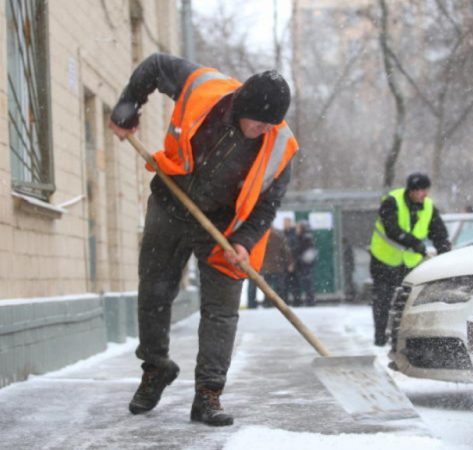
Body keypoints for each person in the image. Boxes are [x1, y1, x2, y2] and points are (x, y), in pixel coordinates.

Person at [108, 53, 298, 426]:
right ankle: (156, 368)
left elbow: (267, 204)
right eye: (258, 122)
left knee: (222, 311)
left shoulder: (280, 146)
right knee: (154, 292)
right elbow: (155, 66)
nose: (263, 129)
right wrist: (128, 105)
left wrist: (244, 240)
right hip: (171, 200)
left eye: (270, 124)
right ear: (242, 105)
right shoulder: (203, 88)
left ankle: (208, 394)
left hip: (224, 228)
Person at [369, 172, 450, 347]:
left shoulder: (428, 206)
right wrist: (416, 244)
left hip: (409, 263)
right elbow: (392, 229)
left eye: (426, 190)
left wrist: (444, 251)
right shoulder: (392, 201)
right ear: (412, 191)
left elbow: (439, 232)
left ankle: (401, 338)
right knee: (382, 298)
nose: (425, 194)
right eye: (421, 191)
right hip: (383, 259)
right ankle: (380, 337)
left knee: (406, 301)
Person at [259, 225, 293, 306]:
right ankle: (280, 303)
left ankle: (267, 303)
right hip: (278, 265)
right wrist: (289, 262)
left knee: (267, 287)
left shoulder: (262, 235)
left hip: (266, 266)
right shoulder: (279, 235)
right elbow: (286, 250)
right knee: (280, 286)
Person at [290, 220, 317, 307]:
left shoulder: (306, 238)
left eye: (298, 228)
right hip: (302, 265)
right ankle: (305, 301)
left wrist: (298, 261)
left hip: (304, 266)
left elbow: (307, 253)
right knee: (302, 283)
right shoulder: (301, 238)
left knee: (307, 283)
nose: (296, 230)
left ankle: (309, 301)